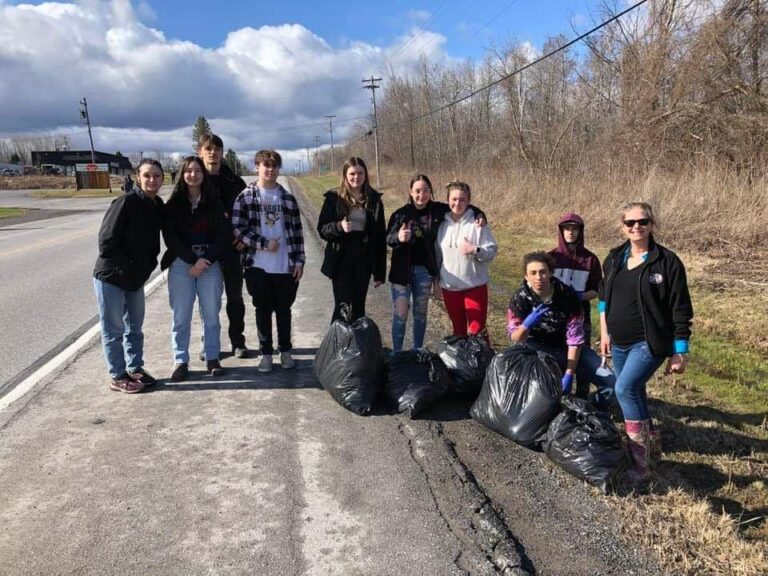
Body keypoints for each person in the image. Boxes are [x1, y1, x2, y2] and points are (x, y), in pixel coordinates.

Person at [599, 202, 693, 484]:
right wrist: (604, 332)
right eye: (630, 223)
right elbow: (604, 299)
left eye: (643, 221)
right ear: (623, 227)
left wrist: (679, 351)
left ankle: (640, 463)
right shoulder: (614, 258)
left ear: (652, 224)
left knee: (624, 388)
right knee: (635, 390)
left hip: (649, 342)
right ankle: (652, 451)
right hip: (619, 342)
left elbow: (680, 308)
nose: (636, 227)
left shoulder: (667, 262)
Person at [386, 174, 487, 353]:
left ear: (430, 192)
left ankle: (418, 351)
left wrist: (480, 214)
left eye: (426, 190)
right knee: (400, 313)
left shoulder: (439, 210)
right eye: (417, 191)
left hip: (425, 271)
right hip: (401, 272)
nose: (421, 195)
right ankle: (397, 353)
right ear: (410, 192)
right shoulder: (400, 214)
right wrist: (398, 237)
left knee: (420, 313)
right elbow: (388, 238)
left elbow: (462, 205)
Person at [92, 159, 164, 393]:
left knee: (135, 328)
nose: (152, 180)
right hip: (111, 277)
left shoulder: (157, 205)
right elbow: (106, 242)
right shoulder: (125, 202)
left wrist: (147, 266)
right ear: (138, 177)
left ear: (163, 179)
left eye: (156, 176)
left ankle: (135, 368)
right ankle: (117, 375)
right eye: (147, 175)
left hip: (135, 279)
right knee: (113, 330)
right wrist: (128, 267)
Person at [507, 251, 615, 406]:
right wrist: (525, 326)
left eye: (543, 272)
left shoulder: (567, 296)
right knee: (545, 394)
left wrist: (569, 374)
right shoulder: (520, 298)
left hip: (567, 348)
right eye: (533, 273)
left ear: (551, 272)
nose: (539, 277)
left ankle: (587, 406)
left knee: (612, 384)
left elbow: (575, 339)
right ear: (526, 276)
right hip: (537, 350)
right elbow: (516, 338)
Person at [232, 150, 305, 373]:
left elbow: (297, 232)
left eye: (274, 166)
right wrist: (264, 244)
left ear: (278, 169)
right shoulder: (245, 197)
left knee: (284, 310)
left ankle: (285, 351)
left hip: (285, 266)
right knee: (262, 311)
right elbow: (237, 229)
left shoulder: (287, 198)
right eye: (266, 165)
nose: (270, 169)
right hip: (257, 265)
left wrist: (299, 261)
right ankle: (266, 354)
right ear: (257, 167)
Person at [160, 156, 229, 382]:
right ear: (182, 174)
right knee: (181, 316)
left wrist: (205, 259)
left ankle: (212, 357)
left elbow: (223, 235)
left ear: (203, 174)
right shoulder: (173, 205)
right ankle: (180, 360)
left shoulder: (214, 202)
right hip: (182, 264)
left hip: (210, 262)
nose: (193, 174)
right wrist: (192, 259)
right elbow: (171, 238)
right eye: (188, 171)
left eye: (197, 170)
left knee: (211, 314)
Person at [198, 133, 249, 358]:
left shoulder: (234, 181)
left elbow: (250, 213)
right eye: (208, 148)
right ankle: (209, 344)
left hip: (232, 250)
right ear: (200, 152)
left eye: (217, 148)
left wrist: (244, 237)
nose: (213, 152)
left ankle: (238, 341)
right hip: (205, 250)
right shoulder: (195, 179)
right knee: (208, 301)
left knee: (235, 298)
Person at [317, 157, 386, 323]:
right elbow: (322, 229)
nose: (356, 177)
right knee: (342, 306)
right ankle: (338, 339)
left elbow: (379, 237)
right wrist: (339, 227)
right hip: (341, 259)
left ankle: (357, 339)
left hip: (364, 259)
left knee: (359, 306)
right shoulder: (334, 198)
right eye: (352, 173)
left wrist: (379, 272)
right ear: (345, 175)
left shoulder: (374, 200)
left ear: (365, 175)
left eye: (360, 173)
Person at [435, 180, 497, 343]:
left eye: (462, 200)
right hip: (450, 287)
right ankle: (462, 359)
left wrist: (475, 249)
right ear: (448, 200)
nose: (458, 203)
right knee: (458, 331)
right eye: (454, 199)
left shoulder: (478, 223)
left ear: (468, 201)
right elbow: (437, 255)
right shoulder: (441, 224)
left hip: (474, 286)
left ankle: (484, 357)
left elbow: (491, 251)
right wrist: (436, 281)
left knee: (477, 330)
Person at [548, 212, 603, 396]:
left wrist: (578, 296)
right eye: (567, 229)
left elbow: (596, 290)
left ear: (581, 231)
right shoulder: (551, 257)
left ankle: (582, 394)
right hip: (555, 316)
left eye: (575, 229)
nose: (571, 232)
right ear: (561, 231)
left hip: (580, 315)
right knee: (556, 355)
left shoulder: (591, 260)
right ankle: (556, 392)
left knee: (582, 356)